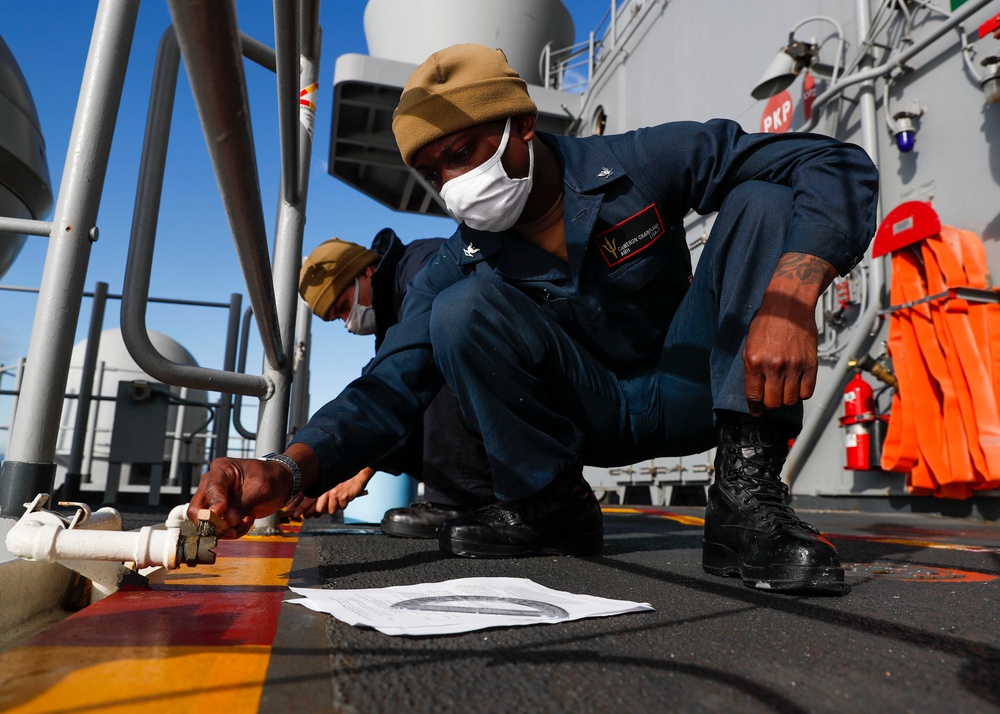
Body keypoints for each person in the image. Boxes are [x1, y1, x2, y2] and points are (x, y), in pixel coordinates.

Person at [190, 44, 878, 594]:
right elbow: (389, 382)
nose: (454, 182)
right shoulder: (454, 263)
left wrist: (791, 294)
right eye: (435, 171)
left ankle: (746, 506)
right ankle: (553, 513)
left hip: (690, 380)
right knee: (458, 312)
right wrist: (286, 468)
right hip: (592, 418)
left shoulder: (640, 163)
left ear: (523, 123)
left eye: (462, 151)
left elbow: (832, 160)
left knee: (761, 192)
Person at [292, 229, 495, 536]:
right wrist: (333, 467)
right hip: (495, 403)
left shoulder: (425, 264)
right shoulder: (394, 305)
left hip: (517, 387)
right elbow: (383, 388)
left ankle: (460, 501)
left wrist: (362, 467)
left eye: (344, 307)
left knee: (435, 349)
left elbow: (419, 369)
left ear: (366, 271)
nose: (348, 323)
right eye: (337, 319)